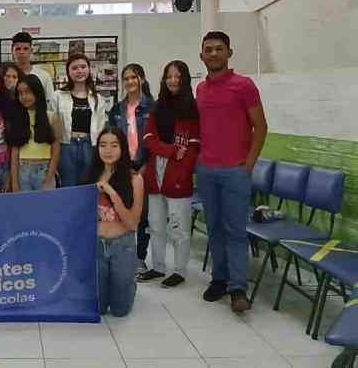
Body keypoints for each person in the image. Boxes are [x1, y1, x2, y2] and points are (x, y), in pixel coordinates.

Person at [196, 31, 267, 313]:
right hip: (206, 170)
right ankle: (220, 279)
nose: (213, 54)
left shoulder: (244, 85)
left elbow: (260, 127)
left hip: (235, 171)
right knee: (213, 229)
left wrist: (248, 164)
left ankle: (238, 289)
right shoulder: (200, 89)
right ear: (201, 56)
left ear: (229, 53)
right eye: (208, 50)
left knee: (235, 231)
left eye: (218, 49)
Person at [138, 60, 200, 288]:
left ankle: (180, 271)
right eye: (169, 76)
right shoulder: (157, 106)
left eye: (177, 76)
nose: (173, 80)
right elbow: (149, 139)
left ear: (184, 80)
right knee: (155, 224)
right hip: (157, 170)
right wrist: (172, 151)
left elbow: (193, 147)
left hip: (179, 173)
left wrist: (184, 170)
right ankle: (157, 266)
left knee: (179, 226)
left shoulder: (192, 109)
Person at [85, 126, 144, 317]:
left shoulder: (134, 179)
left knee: (120, 310)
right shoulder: (89, 176)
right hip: (97, 246)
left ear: (123, 148)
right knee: (99, 309)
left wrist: (111, 193)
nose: (108, 150)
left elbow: (133, 224)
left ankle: (129, 283)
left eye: (114, 145)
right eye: (103, 145)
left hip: (122, 245)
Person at [108, 63, 154, 274]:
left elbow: (155, 141)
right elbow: (112, 139)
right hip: (123, 166)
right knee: (122, 212)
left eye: (133, 77)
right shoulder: (117, 109)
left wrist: (144, 167)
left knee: (142, 215)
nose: (129, 82)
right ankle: (124, 255)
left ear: (142, 79)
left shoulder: (152, 107)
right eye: (125, 78)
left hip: (145, 165)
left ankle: (140, 257)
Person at [53, 53, 107, 187]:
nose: (79, 71)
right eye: (75, 68)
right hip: (66, 146)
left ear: (89, 69)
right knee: (68, 186)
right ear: (68, 72)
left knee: (88, 186)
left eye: (83, 67)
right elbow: (53, 126)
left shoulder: (98, 99)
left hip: (90, 146)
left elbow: (101, 128)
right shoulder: (58, 96)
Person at [8, 75, 60, 191]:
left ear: (37, 92)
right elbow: (14, 152)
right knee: (25, 208)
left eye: (28, 92)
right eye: (20, 93)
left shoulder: (50, 116)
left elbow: (56, 149)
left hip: (44, 170)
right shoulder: (17, 119)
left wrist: (49, 177)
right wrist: (15, 183)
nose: (24, 97)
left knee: (46, 207)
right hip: (23, 171)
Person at [11, 32, 55, 108]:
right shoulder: (6, 77)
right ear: (12, 50)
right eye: (18, 49)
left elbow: (50, 103)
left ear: (31, 50)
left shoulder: (44, 76)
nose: (22, 52)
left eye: (25, 49)